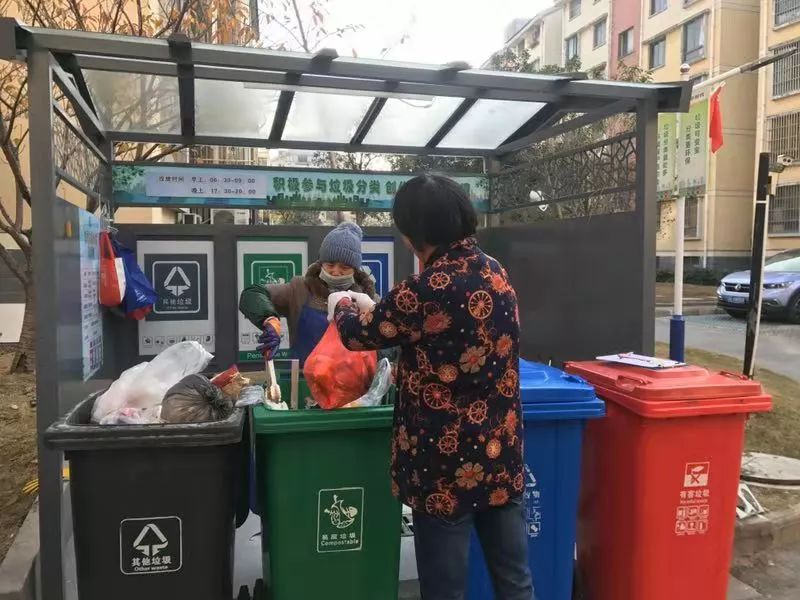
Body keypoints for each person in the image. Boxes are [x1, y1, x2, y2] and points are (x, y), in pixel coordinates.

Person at [329, 175, 533, 600]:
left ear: (412, 234)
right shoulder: (496, 272)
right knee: (515, 580)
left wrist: (344, 303)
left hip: (443, 469)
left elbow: (356, 334)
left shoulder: (424, 289)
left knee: (445, 589)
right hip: (500, 453)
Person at [238, 221, 377, 365]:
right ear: (321, 264)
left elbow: (385, 344)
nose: (336, 271)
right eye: (330, 265)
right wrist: (269, 320)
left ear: (355, 269)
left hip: (354, 378)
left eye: (344, 267)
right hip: (302, 376)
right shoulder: (300, 290)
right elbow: (253, 294)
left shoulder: (368, 300)